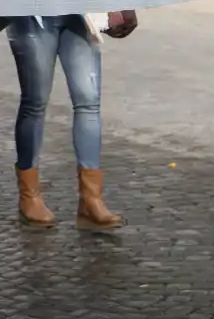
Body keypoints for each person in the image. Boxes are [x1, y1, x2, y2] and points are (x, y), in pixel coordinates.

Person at [7, 12, 135, 231]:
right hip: (32, 11)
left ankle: (91, 200)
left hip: (80, 10)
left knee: (89, 101)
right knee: (35, 101)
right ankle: (29, 196)